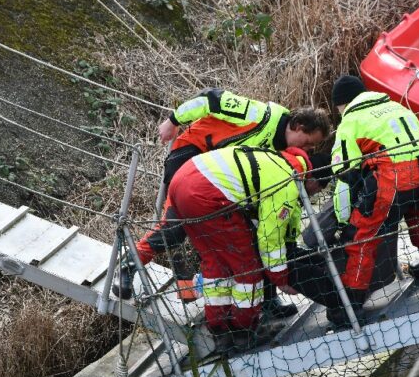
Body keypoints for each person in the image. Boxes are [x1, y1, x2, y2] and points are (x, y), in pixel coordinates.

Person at [114, 88, 332, 316]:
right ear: (298, 127)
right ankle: (128, 264)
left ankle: (266, 300)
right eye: (308, 143)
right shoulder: (258, 115)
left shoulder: (280, 149)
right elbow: (211, 99)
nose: (306, 151)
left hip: (221, 183)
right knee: (174, 230)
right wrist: (173, 120)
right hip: (191, 161)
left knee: (256, 233)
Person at [164, 145, 332, 351]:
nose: (316, 194)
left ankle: (220, 332)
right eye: (320, 188)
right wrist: (281, 279)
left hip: (182, 184)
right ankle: (243, 332)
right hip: (208, 194)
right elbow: (269, 239)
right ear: (313, 180)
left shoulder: (277, 159)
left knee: (216, 265)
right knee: (248, 271)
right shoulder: (288, 181)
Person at [317, 75, 419, 327]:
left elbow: (343, 173)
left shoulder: (350, 122)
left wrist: (344, 220)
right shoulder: (397, 107)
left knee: (362, 235)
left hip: (394, 179)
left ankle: (352, 305)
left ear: (341, 104)